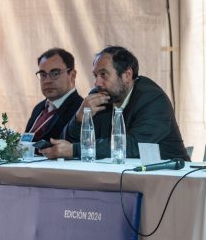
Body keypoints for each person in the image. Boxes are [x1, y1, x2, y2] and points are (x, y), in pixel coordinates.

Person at [41, 46, 190, 161]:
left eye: (103, 74)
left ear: (127, 75)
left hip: (170, 180)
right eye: (95, 75)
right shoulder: (100, 97)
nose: (97, 82)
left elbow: (133, 146)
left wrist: (76, 150)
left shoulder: (153, 99)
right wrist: (79, 118)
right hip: (120, 177)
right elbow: (66, 143)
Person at [25, 48, 83, 143]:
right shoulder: (38, 108)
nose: (47, 81)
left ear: (72, 75)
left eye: (55, 73)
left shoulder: (80, 110)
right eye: (43, 74)